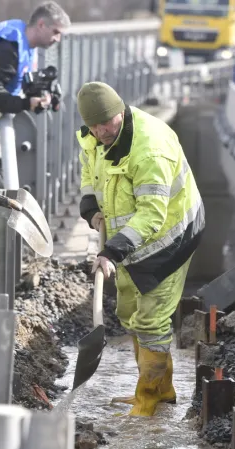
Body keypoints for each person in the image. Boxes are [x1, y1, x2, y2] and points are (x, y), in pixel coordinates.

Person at [75, 81, 205, 417]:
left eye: (109, 123)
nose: (103, 131)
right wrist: (90, 206)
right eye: (96, 126)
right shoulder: (93, 137)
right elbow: (90, 169)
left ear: (122, 111)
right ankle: (164, 390)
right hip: (129, 238)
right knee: (130, 312)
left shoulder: (150, 149)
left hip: (170, 237)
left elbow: (152, 213)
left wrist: (112, 251)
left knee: (151, 320)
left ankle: (147, 399)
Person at [0, 1, 71, 186]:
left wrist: (38, 95)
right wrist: (27, 104)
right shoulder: (10, 46)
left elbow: (12, 82)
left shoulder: (23, 43)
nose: (58, 39)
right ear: (41, 25)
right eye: (56, 32)